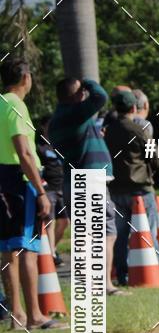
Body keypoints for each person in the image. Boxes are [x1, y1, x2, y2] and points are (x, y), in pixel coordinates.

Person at [0, 59, 63, 329]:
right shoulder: (16, 104)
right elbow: (24, 151)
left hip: (3, 179)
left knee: (8, 249)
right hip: (19, 179)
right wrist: (40, 191)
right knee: (28, 248)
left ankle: (17, 315)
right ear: (26, 78)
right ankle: (35, 314)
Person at [49, 76, 120, 294]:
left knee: (85, 235)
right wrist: (86, 81)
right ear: (79, 95)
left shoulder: (56, 121)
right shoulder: (75, 113)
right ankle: (105, 284)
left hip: (73, 179)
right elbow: (101, 96)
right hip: (92, 179)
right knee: (106, 233)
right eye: (82, 91)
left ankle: (88, 284)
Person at [104, 89, 158, 287]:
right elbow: (153, 158)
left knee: (119, 235)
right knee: (147, 232)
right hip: (141, 188)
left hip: (116, 189)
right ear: (134, 108)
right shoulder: (140, 130)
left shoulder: (107, 131)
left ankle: (122, 274)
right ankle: (152, 271)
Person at [36, 115, 69, 267]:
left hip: (62, 187)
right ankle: (51, 255)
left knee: (64, 222)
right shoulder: (39, 147)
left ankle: (52, 248)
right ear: (43, 128)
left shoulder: (59, 144)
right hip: (48, 188)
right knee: (49, 221)